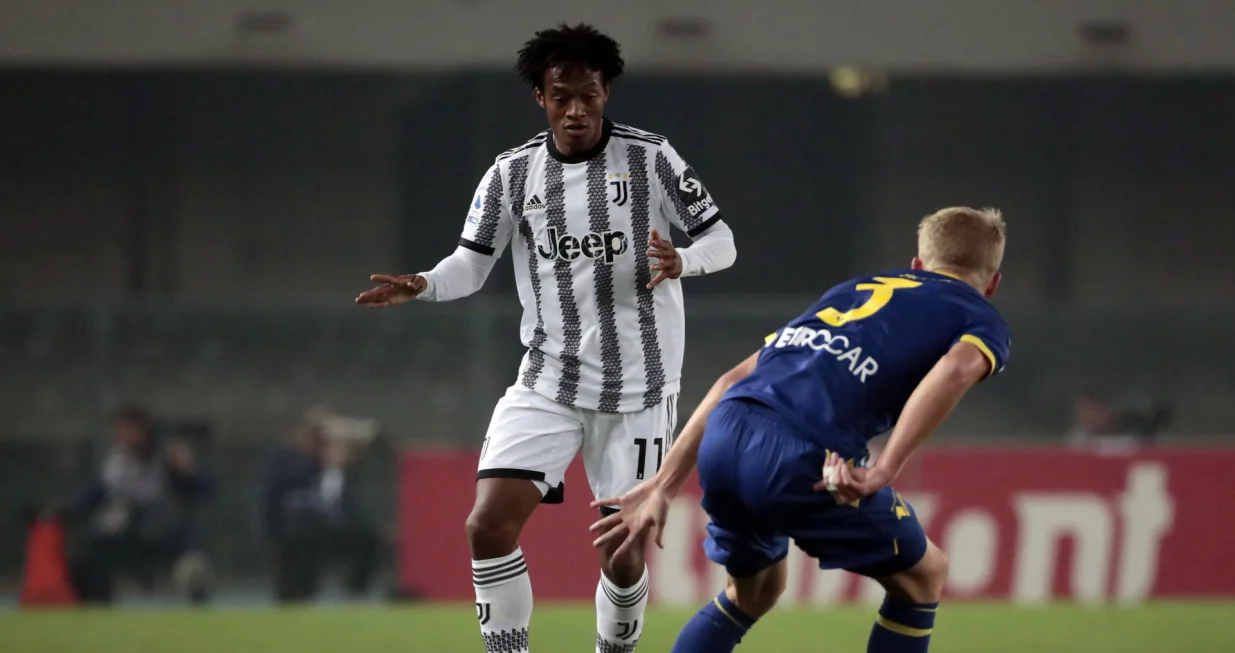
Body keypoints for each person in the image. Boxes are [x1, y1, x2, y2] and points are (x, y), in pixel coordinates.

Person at [355, 23, 736, 653]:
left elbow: (722, 241)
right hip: (548, 380)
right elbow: (470, 266)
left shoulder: (651, 158)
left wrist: (684, 261)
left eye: (588, 94)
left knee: (623, 555)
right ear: (541, 97)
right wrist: (422, 284)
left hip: (640, 390)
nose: (576, 109)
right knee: (487, 525)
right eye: (562, 96)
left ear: (606, 91)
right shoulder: (511, 175)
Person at [592, 207, 1010, 653]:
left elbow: (731, 379)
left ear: (918, 265)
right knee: (923, 578)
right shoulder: (979, 315)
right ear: (992, 283)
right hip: (800, 453)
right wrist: (885, 467)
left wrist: (663, 485)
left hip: (726, 432)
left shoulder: (853, 291)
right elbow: (957, 369)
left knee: (753, 592)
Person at [68, 406, 214, 604]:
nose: (125, 435)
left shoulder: (166, 458)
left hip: (166, 532)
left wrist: (187, 471)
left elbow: (203, 490)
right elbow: (95, 494)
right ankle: (97, 606)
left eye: (130, 429)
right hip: (127, 533)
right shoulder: (117, 462)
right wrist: (64, 511)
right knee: (92, 552)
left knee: (192, 564)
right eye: (121, 430)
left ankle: (196, 602)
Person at [259, 423, 378, 603]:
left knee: (368, 536)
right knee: (305, 536)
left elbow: (347, 507)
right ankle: (298, 593)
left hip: (337, 527)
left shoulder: (348, 476)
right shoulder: (299, 468)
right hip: (306, 527)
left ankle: (355, 591)